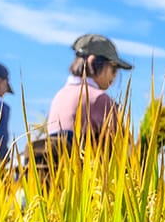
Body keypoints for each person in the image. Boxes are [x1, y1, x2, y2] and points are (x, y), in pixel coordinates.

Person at [28, 34, 132, 173]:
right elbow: (126, 152)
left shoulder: (59, 96)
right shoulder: (101, 99)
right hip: (87, 180)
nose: (114, 75)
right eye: (113, 68)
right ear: (92, 62)